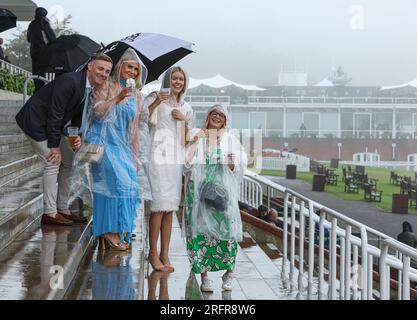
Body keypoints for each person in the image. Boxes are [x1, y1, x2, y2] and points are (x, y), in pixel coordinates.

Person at [15, 53, 113, 226]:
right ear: (89, 66)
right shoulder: (70, 81)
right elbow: (55, 113)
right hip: (35, 122)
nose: (103, 74)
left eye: (107, 71)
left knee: (69, 160)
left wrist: (74, 137)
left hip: (53, 126)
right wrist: (54, 146)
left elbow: (74, 117)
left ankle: (63, 209)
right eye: (100, 68)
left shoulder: (87, 87)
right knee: (53, 161)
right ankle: (50, 213)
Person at [82, 49, 147, 250]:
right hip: (103, 142)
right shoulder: (106, 86)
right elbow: (98, 112)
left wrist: (136, 156)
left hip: (122, 147)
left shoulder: (136, 96)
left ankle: (121, 229)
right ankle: (107, 230)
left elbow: (133, 130)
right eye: (130, 67)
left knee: (129, 185)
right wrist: (118, 98)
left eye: (136, 69)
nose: (133, 72)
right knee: (112, 184)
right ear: (121, 66)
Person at [184, 104, 247, 292]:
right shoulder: (199, 136)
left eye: (221, 115)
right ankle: (205, 277)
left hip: (223, 194)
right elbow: (186, 163)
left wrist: (231, 164)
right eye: (214, 113)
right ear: (208, 116)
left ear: (225, 120)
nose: (217, 117)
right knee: (202, 232)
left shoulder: (231, 140)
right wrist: (196, 140)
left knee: (227, 231)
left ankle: (229, 273)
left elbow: (240, 168)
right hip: (200, 193)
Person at [145, 66, 193, 272]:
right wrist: (156, 102)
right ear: (168, 80)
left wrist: (184, 121)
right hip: (156, 156)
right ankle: (152, 252)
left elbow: (185, 141)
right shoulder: (155, 97)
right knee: (158, 206)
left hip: (175, 159)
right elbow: (142, 120)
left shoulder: (186, 107)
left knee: (170, 208)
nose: (177, 82)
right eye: (174, 78)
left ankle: (165, 253)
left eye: (181, 79)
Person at [27, 7, 56, 92]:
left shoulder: (31, 24)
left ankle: (37, 90)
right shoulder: (44, 22)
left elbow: (28, 38)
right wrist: (55, 45)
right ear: (44, 14)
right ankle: (41, 91)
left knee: (35, 72)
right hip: (43, 51)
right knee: (42, 72)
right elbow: (51, 38)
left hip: (33, 51)